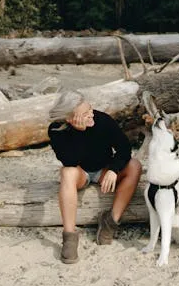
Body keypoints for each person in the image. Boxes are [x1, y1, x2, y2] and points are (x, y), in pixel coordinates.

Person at [47, 91, 141, 264]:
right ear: (70, 119)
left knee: (134, 165)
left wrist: (113, 170)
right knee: (66, 172)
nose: (91, 114)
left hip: (104, 169)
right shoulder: (56, 130)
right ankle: (69, 237)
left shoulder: (103, 120)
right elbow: (69, 161)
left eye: (89, 108)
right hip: (80, 173)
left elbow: (125, 149)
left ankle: (111, 220)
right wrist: (78, 132)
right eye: (84, 114)